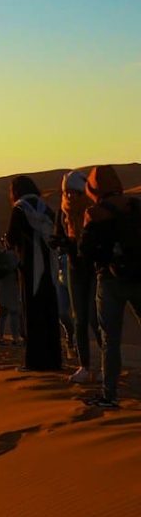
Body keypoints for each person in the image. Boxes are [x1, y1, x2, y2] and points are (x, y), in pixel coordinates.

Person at [80, 164, 141, 410]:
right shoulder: (136, 206)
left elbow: (85, 251)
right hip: (139, 277)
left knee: (110, 340)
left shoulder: (94, 213)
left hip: (109, 281)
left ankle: (109, 394)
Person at [5, 175, 63, 371]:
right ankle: (54, 360)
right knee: (49, 311)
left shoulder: (20, 208)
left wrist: (8, 242)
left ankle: (35, 362)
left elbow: (12, 238)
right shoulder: (45, 207)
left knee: (32, 312)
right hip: (50, 265)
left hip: (30, 267)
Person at [53, 168, 101, 384]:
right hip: (74, 267)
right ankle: (85, 366)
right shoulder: (62, 213)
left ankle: (104, 364)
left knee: (95, 317)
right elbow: (58, 236)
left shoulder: (93, 211)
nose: (70, 196)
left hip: (95, 268)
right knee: (78, 318)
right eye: (67, 192)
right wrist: (61, 243)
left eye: (74, 192)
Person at [0, 235, 22, 345]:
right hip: (11, 288)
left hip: (1, 288)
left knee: (2, 315)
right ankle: (15, 338)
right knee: (13, 313)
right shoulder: (14, 256)